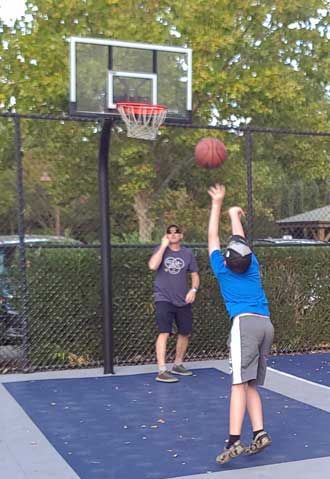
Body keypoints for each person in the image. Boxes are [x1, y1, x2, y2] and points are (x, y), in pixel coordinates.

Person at [207, 183, 274, 465]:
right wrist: (235, 213)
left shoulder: (221, 270)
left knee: (237, 384)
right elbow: (239, 240)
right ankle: (259, 433)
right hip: (265, 326)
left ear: (225, 260)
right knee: (249, 385)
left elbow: (211, 236)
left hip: (244, 325)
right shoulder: (253, 265)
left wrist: (217, 204)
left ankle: (234, 440)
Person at [148, 224, 200, 383]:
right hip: (163, 298)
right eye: (169, 232)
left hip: (183, 300)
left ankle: (177, 364)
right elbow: (152, 266)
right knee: (164, 332)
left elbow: (195, 275)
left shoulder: (187, 253)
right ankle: (162, 370)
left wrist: (193, 290)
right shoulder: (160, 249)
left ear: (181, 235)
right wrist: (163, 246)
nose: (172, 234)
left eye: (176, 232)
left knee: (185, 332)